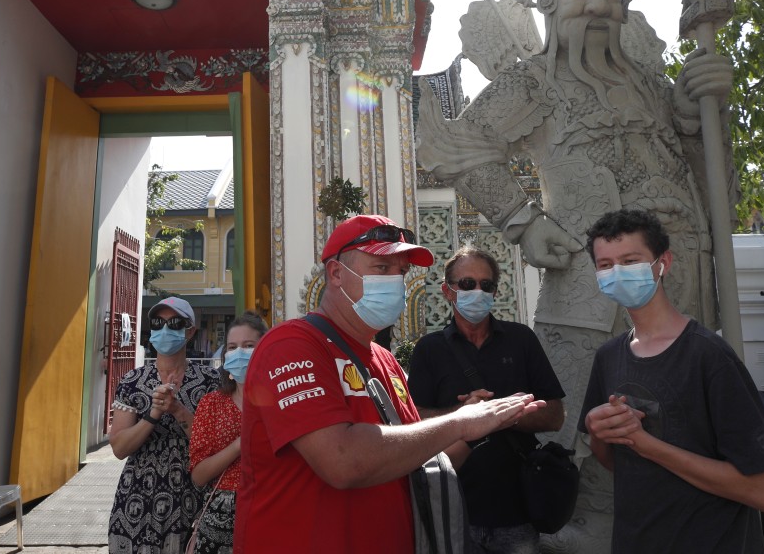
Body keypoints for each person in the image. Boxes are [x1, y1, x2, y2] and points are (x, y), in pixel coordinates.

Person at [417, 0, 735, 548]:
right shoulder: (534, 81)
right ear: (553, 2)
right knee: (592, 427)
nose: (600, 5)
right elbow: (457, 150)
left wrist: (705, 114)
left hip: (683, 271)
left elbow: (715, 188)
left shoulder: (651, 84)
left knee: (683, 411)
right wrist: (522, 221)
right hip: (591, 287)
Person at [234, 214, 546, 554]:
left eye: (401, 271)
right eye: (381, 268)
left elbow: (416, 460)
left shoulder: (386, 362)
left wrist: (484, 424)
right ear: (336, 274)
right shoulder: (291, 345)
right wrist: (458, 421)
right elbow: (343, 461)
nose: (396, 281)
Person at [578, 209, 764, 554]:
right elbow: (622, 464)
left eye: (631, 260)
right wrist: (598, 430)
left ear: (663, 263)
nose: (617, 273)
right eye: (606, 265)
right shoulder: (609, 357)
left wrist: (649, 445)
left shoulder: (709, 356)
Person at [408, 247, 566, 554]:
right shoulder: (430, 350)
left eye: (486, 285)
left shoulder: (521, 340)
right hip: (454, 507)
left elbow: (556, 415)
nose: (477, 291)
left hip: (516, 512)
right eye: (467, 284)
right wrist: (463, 415)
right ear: (448, 291)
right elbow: (415, 419)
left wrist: (504, 413)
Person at [108, 296, 220, 553]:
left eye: (175, 323)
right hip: (138, 501)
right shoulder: (133, 381)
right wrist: (154, 413)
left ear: (190, 331)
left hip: (193, 499)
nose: (165, 329)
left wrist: (178, 410)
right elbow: (119, 447)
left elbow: (215, 445)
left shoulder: (210, 382)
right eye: (158, 323)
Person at [188, 311, 269, 554]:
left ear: (265, 349)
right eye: (232, 347)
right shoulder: (211, 404)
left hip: (271, 510)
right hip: (219, 524)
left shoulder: (281, 402)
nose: (239, 353)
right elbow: (199, 476)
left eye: (249, 345)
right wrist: (238, 446)